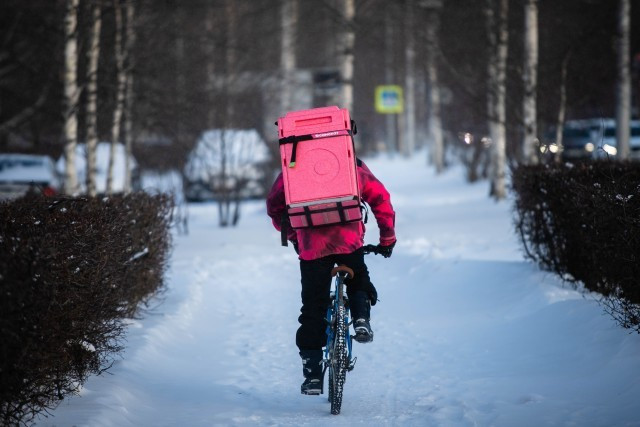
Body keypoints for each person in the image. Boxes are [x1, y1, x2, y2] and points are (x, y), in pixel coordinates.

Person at [266, 157, 396, 395]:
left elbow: (274, 205)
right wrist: (387, 238)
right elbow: (381, 198)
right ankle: (360, 320)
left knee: (313, 307)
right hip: (348, 241)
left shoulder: (293, 171)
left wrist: (296, 234)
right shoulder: (350, 166)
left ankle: (313, 375)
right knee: (359, 280)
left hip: (311, 246)